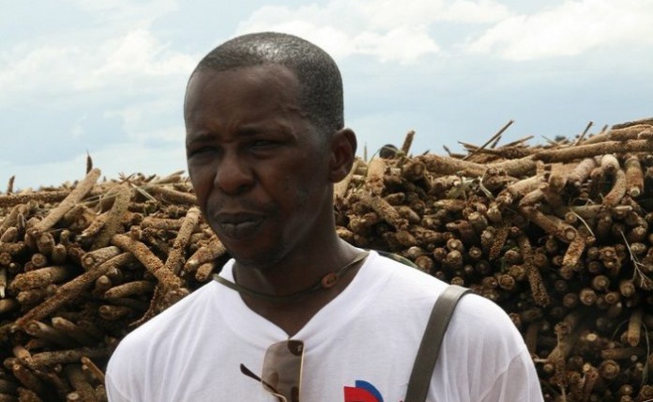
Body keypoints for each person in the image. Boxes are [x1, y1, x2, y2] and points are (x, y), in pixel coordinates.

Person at [105, 32, 544, 401]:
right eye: (204, 152)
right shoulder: (148, 364)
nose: (230, 177)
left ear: (338, 156)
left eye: (260, 144)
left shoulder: (463, 337)